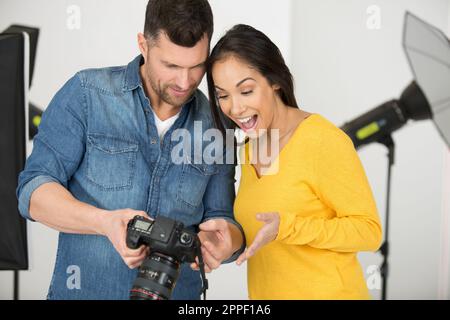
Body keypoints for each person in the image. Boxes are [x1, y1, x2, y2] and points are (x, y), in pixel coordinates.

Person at [16, 0, 244, 300]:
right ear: (143, 45)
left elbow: (222, 217)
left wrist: (227, 242)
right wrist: (103, 222)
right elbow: (32, 192)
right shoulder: (86, 95)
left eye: (196, 66)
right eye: (171, 65)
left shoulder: (218, 123)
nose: (184, 81)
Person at [206, 24, 383, 299]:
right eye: (223, 95)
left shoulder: (322, 140)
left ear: (274, 80)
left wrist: (289, 227)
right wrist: (229, 240)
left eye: (246, 91)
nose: (235, 108)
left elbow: (369, 231)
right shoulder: (251, 147)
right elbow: (262, 229)